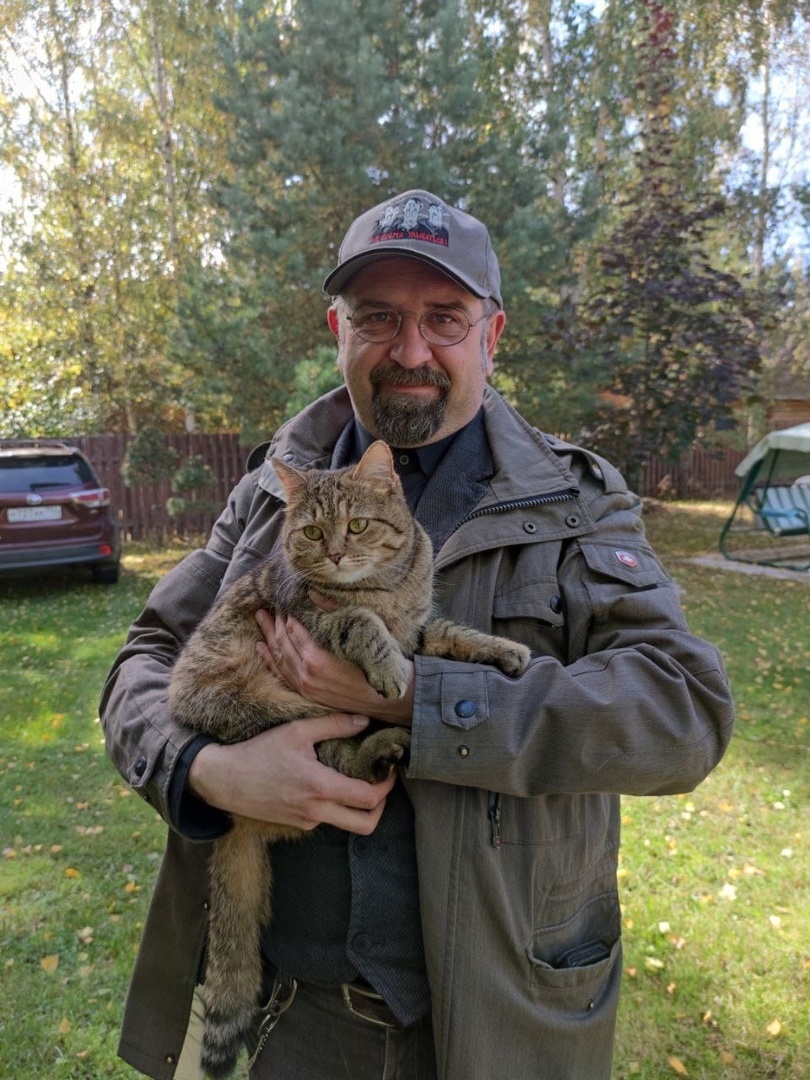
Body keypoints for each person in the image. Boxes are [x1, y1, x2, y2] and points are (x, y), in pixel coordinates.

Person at [100, 188, 734, 1080]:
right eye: (378, 318)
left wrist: (421, 701)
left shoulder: (576, 502)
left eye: (444, 318)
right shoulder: (273, 495)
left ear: (493, 334)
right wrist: (209, 771)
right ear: (337, 328)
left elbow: (683, 713)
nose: (410, 350)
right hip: (299, 1023)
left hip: (504, 1030)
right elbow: (142, 664)